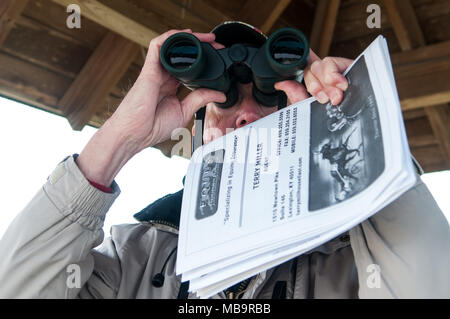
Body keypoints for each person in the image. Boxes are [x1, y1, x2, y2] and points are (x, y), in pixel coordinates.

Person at [0, 22, 448, 299]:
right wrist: (121, 135)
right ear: (194, 134)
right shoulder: (134, 257)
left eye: (268, 99)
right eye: (225, 102)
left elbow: (431, 287)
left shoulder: (349, 259)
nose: (247, 117)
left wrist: (352, 117)